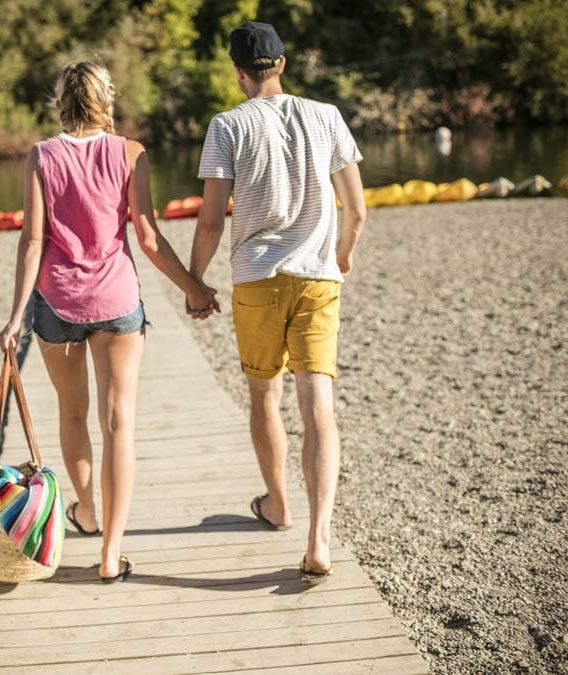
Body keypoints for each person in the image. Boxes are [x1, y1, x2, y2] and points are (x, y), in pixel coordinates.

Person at [0, 61, 217, 582]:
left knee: (73, 415)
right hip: (117, 301)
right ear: (107, 99)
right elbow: (146, 236)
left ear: (61, 101)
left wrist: (13, 319)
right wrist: (194, 288)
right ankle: (111, 554)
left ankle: (87, 511)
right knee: (119, 424)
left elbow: (33, 241)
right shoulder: (130, 153)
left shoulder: (41, 156)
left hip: (57, 303)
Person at [188, 22, 367, 577]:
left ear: (238, 71)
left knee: (265, 395)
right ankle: (319, 539)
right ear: (283, 64)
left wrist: (195, 280)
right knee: (319, 407)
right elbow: (356, 209)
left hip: (258, 279)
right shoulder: (328, 116)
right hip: (317, 278)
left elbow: (213, 218)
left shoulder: (226, 126)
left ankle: (278, 505)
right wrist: (343, 253)